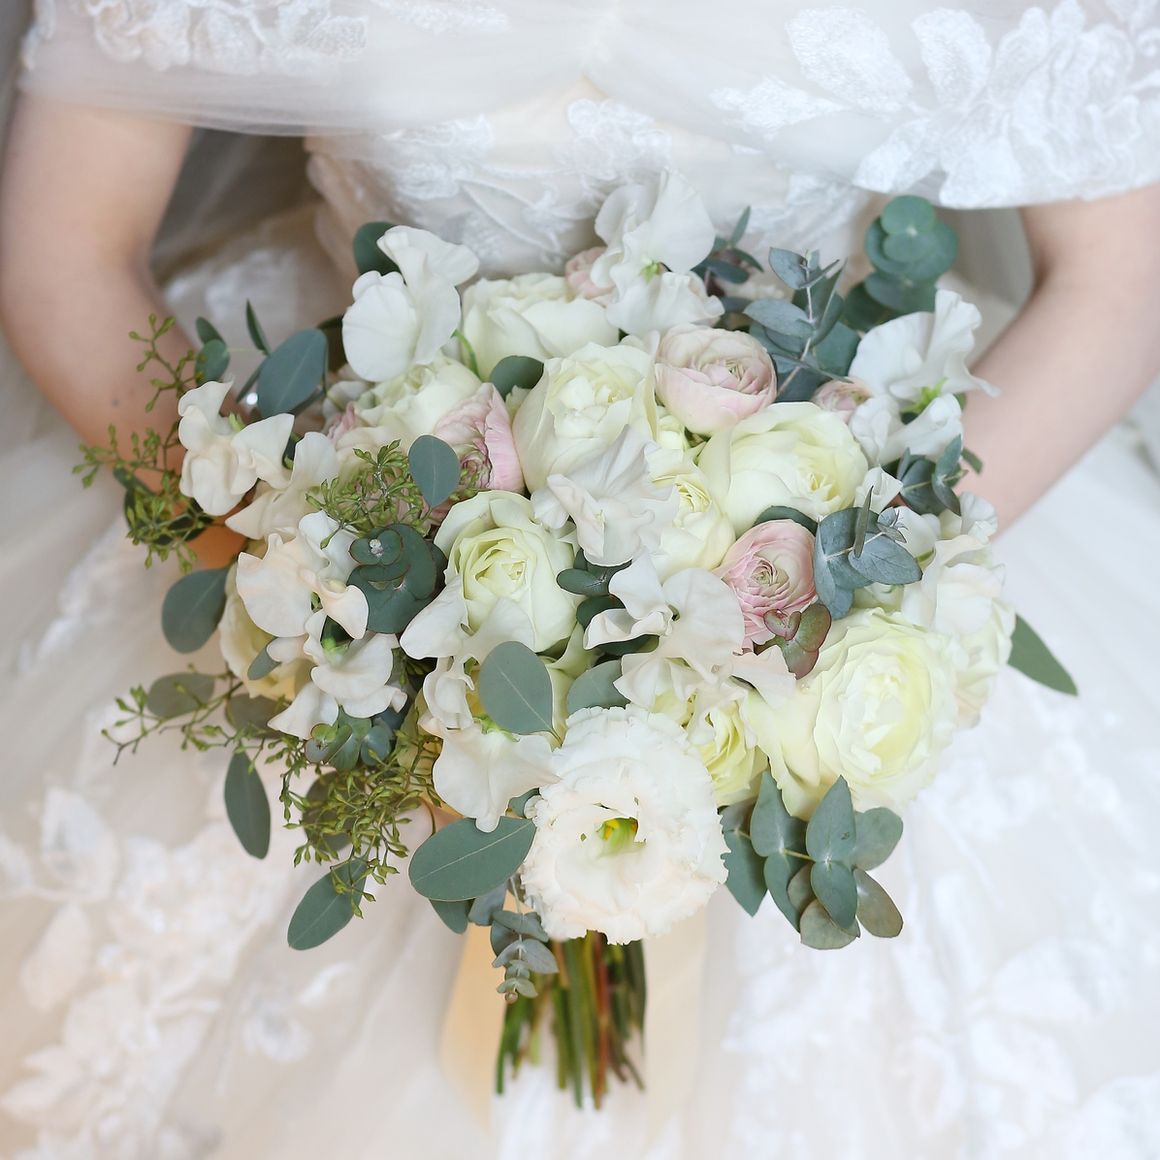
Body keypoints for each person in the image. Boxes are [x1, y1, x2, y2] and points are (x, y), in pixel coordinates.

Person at [1, 3, 1159, 1156]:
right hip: (354, 513)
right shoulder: (337, 595)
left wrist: (837, 596)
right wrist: (328, 599)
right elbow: (66, 254)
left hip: (829, 530)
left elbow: (1117, 271)